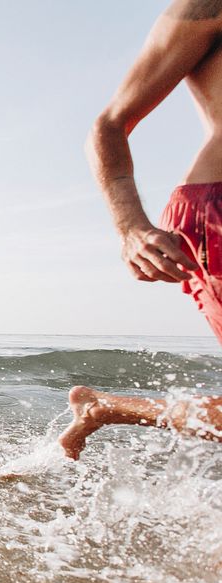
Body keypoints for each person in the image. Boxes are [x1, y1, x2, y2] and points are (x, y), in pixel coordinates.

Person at [59, 0, 222, 459]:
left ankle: (103, 408)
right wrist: (131, 226)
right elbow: (110, 124)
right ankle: (102, 409)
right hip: (216, 211)